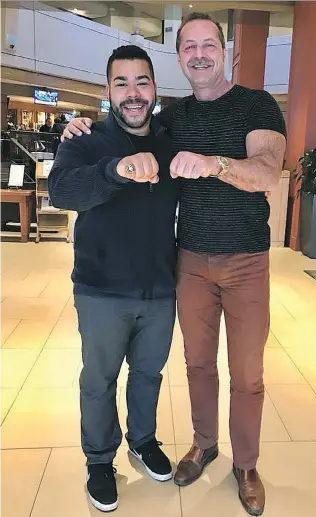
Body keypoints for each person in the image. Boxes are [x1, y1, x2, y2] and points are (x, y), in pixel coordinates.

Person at [62, 13, 287, 516]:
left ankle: (245, 465)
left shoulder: (256, 105)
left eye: (210, 43)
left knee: (246, 373)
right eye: (190, 46)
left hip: (245, 260)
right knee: (194, 365)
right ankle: (201, 445)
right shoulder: (172, 119)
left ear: (225, 50)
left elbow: (268, 172)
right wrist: (80, 128)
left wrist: (214, 164)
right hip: (185, 263)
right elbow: (106, 147)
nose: (201, 53)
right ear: (180, 56)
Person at [48, 45, 180, 513]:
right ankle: (99, 459)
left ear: (154, 89)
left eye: (141, 82)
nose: (132, 93)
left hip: (161, 290)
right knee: (99, 380)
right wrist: (117, 170)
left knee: (148, 374)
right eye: (121, 83)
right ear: (107, 90)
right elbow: (61, 190)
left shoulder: (168, 140)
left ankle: (142, 440)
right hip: (101, 289)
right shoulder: (83, 141)